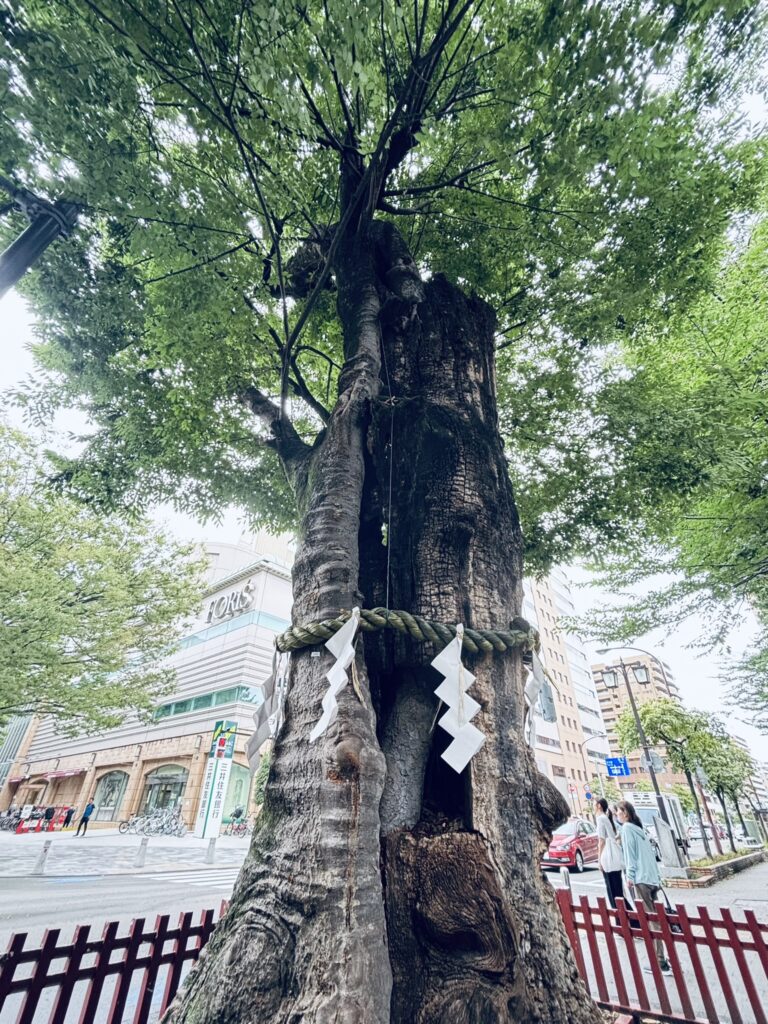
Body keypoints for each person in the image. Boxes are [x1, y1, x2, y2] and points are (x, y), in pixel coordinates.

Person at [616, 800, 671, 975]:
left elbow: (630, 856)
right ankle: (663, 958)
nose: (616, 815)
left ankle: (660, 962)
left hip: (641, 879)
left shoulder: (626, 829)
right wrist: (657, 878)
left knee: (651, 920)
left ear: (625, 813)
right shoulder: (639, 829)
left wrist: (630, 877)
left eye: (618, 812)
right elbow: (650, 856)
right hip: (652, 879)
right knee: (656, 919)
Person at [596, 797, 623, 908]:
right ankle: (626, 914)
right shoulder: (606, 818)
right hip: (614, 855)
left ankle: (619, 914)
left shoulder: (600, 818)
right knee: (618, 890)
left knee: (612, 889)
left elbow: (601, 840)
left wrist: (599, 859)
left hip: (608, 857)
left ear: (599, 806)